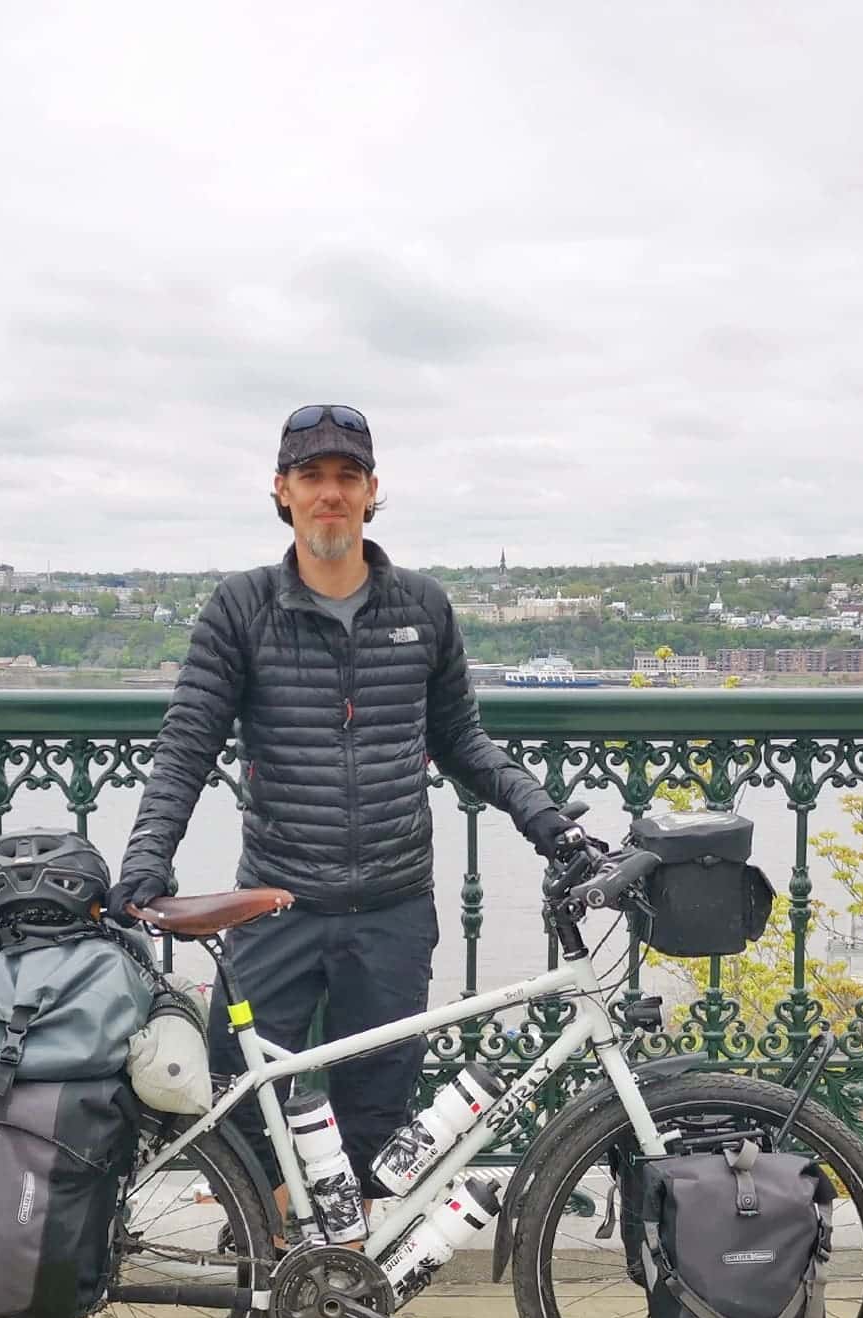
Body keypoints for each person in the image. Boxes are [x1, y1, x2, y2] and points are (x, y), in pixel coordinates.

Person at [109, 403, 587, 1214]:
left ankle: (346, 1270)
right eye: (311, 477)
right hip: (276, 901)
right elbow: (187, 743)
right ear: (282, 492)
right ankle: (265, 1255)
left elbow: (464, 741)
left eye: (346, 477)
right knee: (245, 1105)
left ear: (371, 493)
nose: (329, 493)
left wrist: (546, 820)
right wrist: (147, 858)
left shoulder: (423, 609)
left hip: (392, 907)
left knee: (377, 1110)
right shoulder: (242, 608)